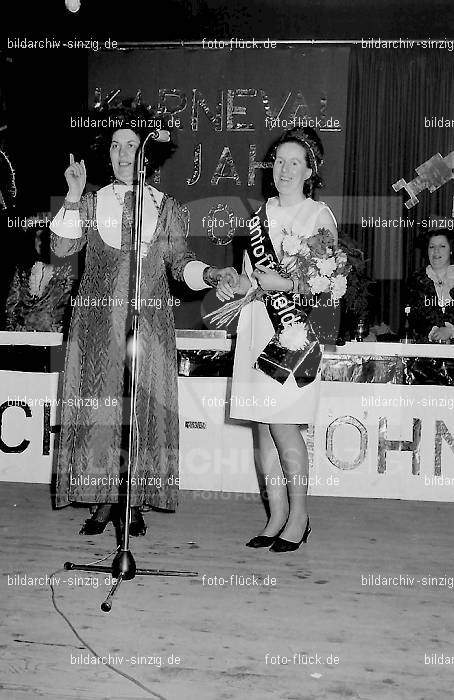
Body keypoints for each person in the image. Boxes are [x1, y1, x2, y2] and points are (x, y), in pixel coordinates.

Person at [50, 105, 238, 536]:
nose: (122, 153)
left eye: (131, 145)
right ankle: (103, 502)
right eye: (115, 145)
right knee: (103, 413)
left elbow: (180, 263)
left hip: (148, 324)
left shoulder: (166, 207)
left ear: (145, 155)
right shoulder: (92, 202)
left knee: (142, 411)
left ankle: (132, 499)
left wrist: (210, 274)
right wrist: (75, 195)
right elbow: (60, 249)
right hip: (97, 328)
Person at [217, 127, 340, 553]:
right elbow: (251, 275)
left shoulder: (318, 216)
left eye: (295, 162)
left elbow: (326, 284)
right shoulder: (257, 217)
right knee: (262, 431)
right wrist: (233, 284)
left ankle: (300, 516)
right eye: (280, 162)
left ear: (310, 171)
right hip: (256, 327)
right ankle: (276, 515)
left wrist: (284, 281)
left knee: (284, 425)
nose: (285, 169)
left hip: (292, 331)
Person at [5, 225, 75, 334]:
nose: (41, 243)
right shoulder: (22, 271)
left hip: (51, 337)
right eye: (37, 238)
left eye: (45, 238)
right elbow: (11, 306)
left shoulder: (66, 272)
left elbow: (65, 309)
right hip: (21, 336)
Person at [406, 229, 454, 343]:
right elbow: (412, 318)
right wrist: (433, 332)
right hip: (425, 351)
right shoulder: (415, 280)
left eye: (442, 246)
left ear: (451, 250)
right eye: (432, 247)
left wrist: (451, 331)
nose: (436, 251)